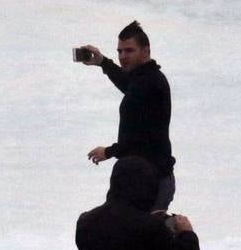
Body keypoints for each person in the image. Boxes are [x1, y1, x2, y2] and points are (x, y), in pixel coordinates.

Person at [76, 20, 177, 211]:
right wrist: (102, 62)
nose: (123, 56)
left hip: (152, 180)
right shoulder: (144, 78)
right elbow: (127, 84)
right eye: (120, 51)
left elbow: (139, 138)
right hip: (143, 177)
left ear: (146, 51)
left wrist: (108, 151)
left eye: (129, 51)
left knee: (139, 238)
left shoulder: (149, 83)